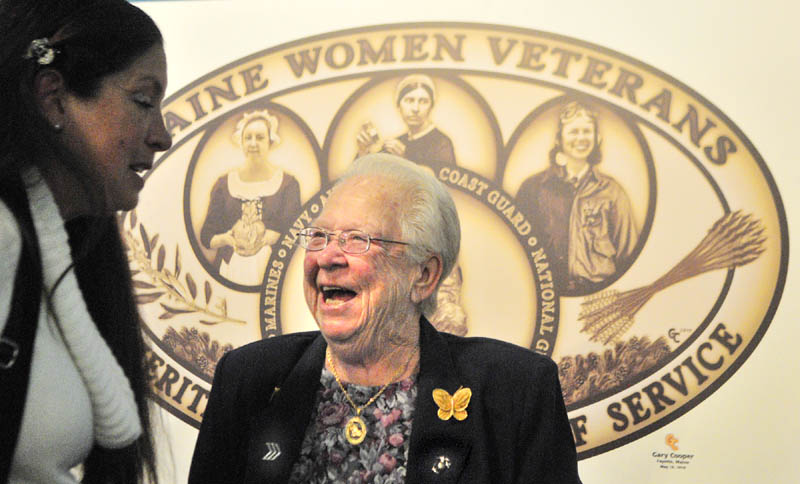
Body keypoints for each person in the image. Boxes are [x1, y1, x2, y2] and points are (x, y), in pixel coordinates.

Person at [188, 154, 581, 483]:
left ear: (424, 276)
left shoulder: (517, 392)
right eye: (319, 237)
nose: (327, 257)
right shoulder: (247, 379)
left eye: (357, 240)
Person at [0, 1, 172, 482]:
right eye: (143, 100)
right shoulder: (6, 238)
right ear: (53, 98)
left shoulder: (59, 247)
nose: (163, 135)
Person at [516, 101, 639, 293]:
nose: (581, 138)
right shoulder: (533, 189)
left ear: (597, 138)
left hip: (597, 294)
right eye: (574, 132)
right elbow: (517, 252)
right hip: (547, 296)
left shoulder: (613, 192)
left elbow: (629, 254)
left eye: (587, 131)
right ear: (559, 139)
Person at [200, 109, 301, 286]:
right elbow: (207, 236)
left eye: (260, 137)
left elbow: (297, 233)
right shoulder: (224, 185)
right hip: (229, 270)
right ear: (241, 142)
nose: (253, 143)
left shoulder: (288, 185)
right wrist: (225, 239)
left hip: (273, 273)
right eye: (248, 138)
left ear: (270, 141)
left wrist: (276, 236)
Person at [356, 74, 456, 171]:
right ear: (399, 106)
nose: (415, 109)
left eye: (423, 101)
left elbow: (441, 187)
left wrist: (405, 161)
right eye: (409, 100)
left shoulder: (442, 144)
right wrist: (363, 151)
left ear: (431, 107)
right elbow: (369, 180)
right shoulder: (397, 143)